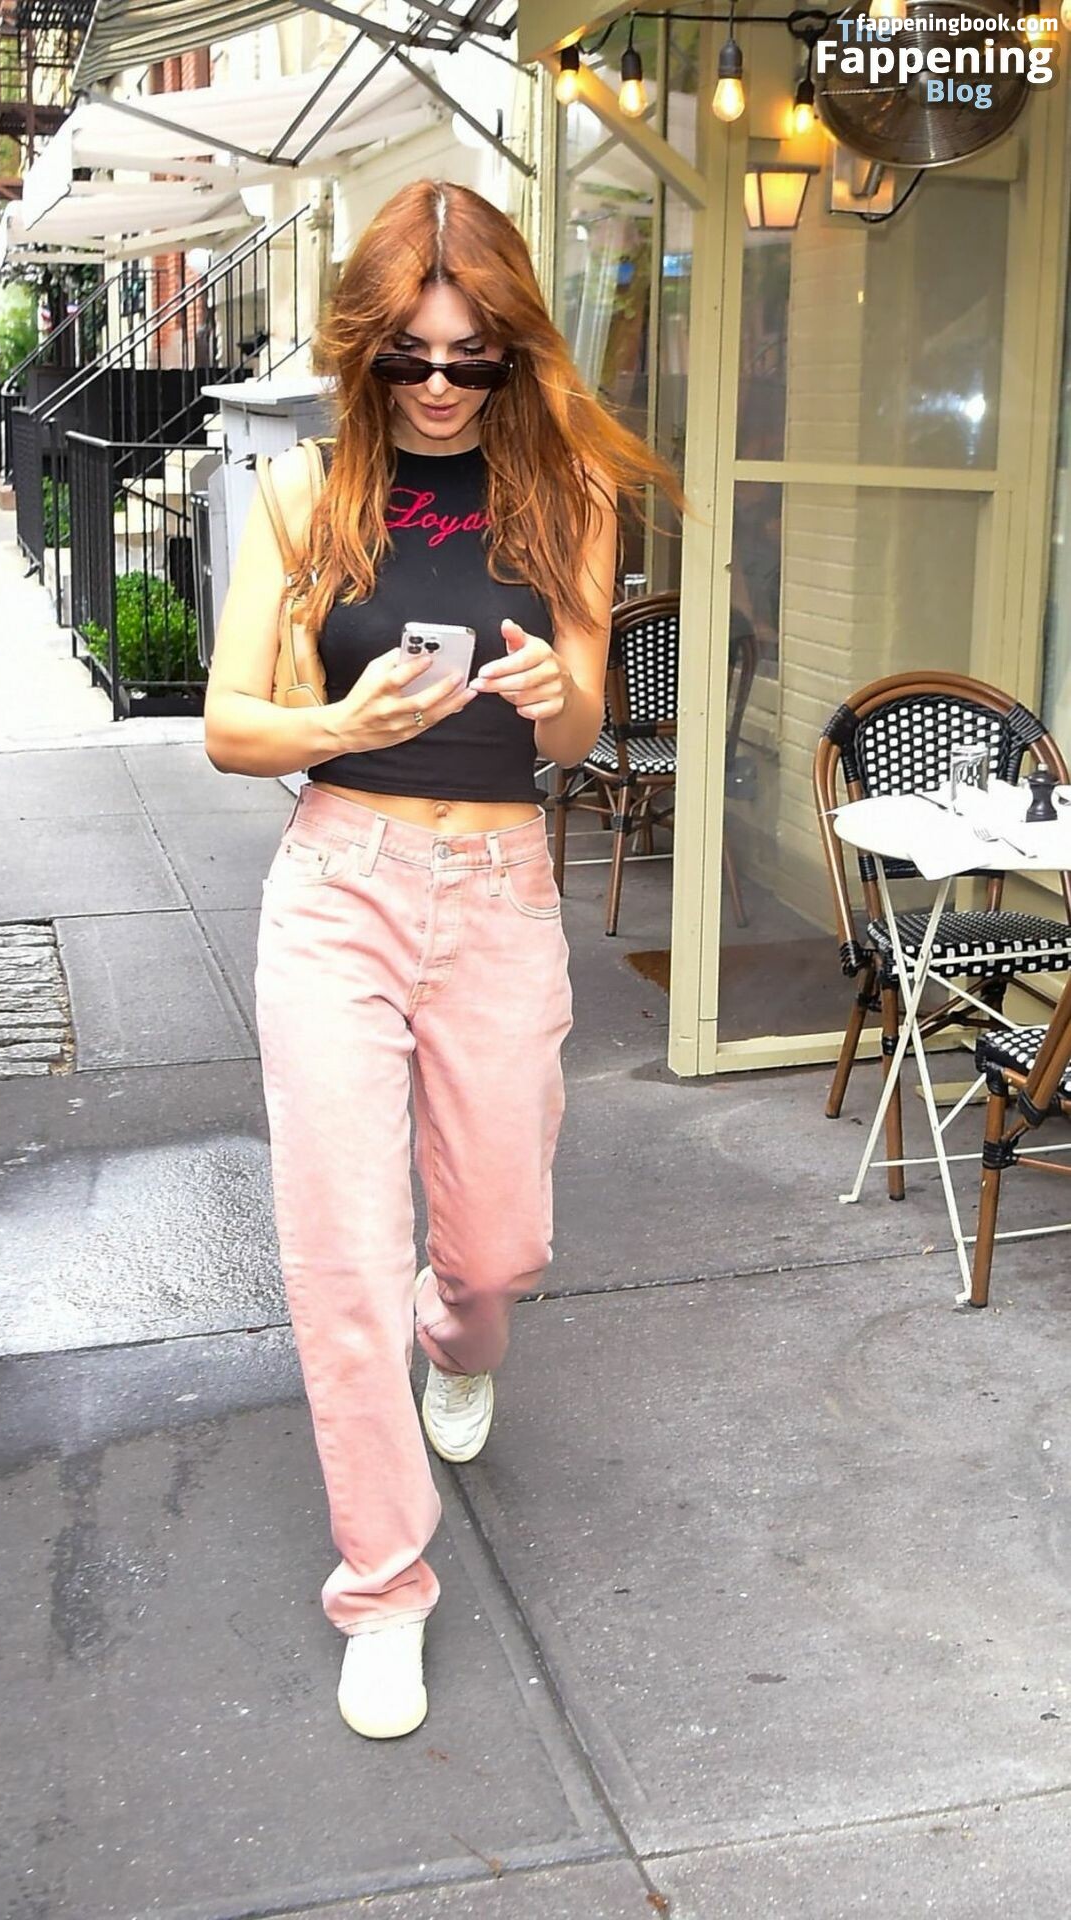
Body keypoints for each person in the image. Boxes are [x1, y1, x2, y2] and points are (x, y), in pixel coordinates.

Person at [204, 178, 683, 1741]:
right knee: (341, 1254)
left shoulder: (564, 497)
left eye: (468, 358)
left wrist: (552, 691)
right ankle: (382, 1586)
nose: (434, 385)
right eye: (406, 356)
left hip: (494, 894)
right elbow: (228, 727)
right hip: (337, 885)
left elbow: (578, 729)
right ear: (362, 350)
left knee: (492, 1252)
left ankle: (456, 1334)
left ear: (511, 351)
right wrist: (337, 725)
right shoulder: (305, 493)